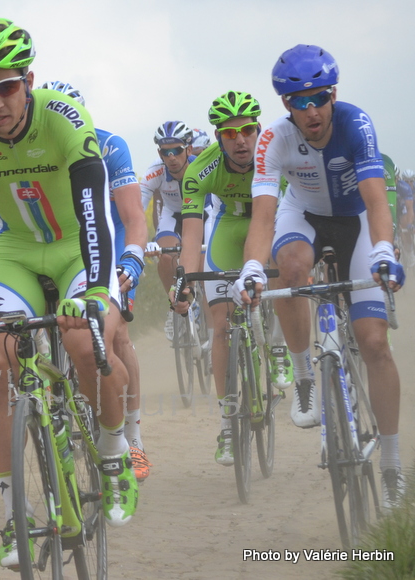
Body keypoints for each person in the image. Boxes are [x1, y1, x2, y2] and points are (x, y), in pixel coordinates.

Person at [0, 18, 138, 568]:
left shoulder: (65, 118)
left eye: (7, 87)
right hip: (15, 252)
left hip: (76, 247)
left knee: (86, 343)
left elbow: (94, 213)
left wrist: (93, 290)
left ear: (28, 81)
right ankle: (14, 511)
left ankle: (113, 460)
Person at [234, 44, 406, 510]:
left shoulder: (356, 125)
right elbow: (264, 217)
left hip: (356, 223)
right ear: (286, 105)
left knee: (373, 344)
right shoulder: (275, 139)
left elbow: (376, 203)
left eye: (318, 98)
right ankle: (306, 376)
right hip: (303, 214)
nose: (311, 111)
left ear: (333, 94)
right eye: (298, 102)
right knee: (288, 270)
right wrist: (252, 267)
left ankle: (391, 464)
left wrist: (386, 251)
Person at [170, 91, 293, 465]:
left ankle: (277, 346)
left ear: (258, 129)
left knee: (283, 271)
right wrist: (186, 279)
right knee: (220, 327)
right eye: (229, 133)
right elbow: (192, 233)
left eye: (247, 130)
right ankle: (227, 422)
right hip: (228, 228)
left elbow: (283, 216)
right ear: (218, 137)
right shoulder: (200, 169)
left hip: (271, 220)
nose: (240, 140)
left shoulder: (275, 156)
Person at [40, 80, 151, 482]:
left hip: (109, 246)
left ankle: (132, 438)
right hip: (58, 250)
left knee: (112, 336)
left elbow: (132, 216)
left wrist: (131, 260)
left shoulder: (109, 146)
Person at [140, 121, 195, 340]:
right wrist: (141, 243)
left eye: (177, 150)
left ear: (188, 150)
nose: (171, 156)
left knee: (202, 257)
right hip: (172, 216)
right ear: (159, 153)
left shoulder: (201, 167)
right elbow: (137, 211)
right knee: (165, 257)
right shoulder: (155, 171)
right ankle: (173, 306)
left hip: (202, 214)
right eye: (165, 151)